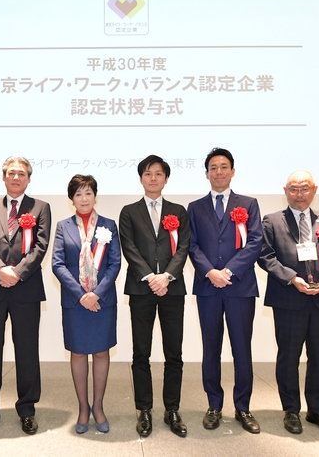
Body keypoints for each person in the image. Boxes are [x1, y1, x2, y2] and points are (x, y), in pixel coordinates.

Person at [258, 170, 319, 435]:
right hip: (288, 299)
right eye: (294, 189)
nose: (299, 194)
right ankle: (291, 410)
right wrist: (292, 278)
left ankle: (317, 409)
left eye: (304, 188)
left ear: (315, 190)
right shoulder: (272, 221)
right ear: (285, 191)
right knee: (288, 357)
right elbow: (265, 256)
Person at [0, 156, 51, 435]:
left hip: (26, 288)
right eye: (11, 173)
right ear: (4, 177)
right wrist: (0, 270)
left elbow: (40, 246)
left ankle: (27, 410)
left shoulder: (40, 207)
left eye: (21, 173)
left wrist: (18, 272)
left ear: (29, 178)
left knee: (27, 351)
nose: (16, 177)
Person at [187, 148, 263, 434]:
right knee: (211, 348)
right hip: (208, 287)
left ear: (232, 171)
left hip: (239, 287)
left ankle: (243, 406)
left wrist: (228, 272)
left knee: (241, 348)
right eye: (213, 168)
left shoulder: (249, 204)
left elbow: (255, 242)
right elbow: (192, 245)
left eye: (223, 167)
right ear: (206, 173)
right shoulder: (195, 207)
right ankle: (214, 405)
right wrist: (210, 272)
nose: (218, 172)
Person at [119, 155, 191, 438]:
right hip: (142, 289)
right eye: (148, 173)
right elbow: (129, 247)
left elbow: (184, 247)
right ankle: (144, 409)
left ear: (166, 178)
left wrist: (167, 276)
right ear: (141, 178)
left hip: (172, 289)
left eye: (158, 173)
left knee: (174, 352)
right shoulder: (129, 212)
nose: (153, 178)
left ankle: (172, 409)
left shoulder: (178, 211)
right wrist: (151, 277)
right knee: (141, 351)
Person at [52, 174, 121, 434]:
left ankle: (99, 407)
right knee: (78, 353)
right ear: (72, 199)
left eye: (88, 193)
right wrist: (82, 295)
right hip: (75, 302)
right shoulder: (63, 226)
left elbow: (115, 263)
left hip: (103, 302)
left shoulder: (108, 225)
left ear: (95, 196)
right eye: (78, 194)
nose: (84, 198)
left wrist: (96, 294)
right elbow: (58, 264)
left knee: (101, 352)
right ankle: (83, 408)